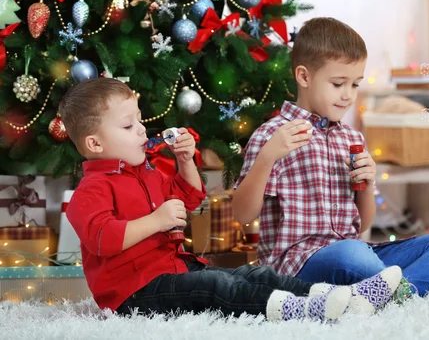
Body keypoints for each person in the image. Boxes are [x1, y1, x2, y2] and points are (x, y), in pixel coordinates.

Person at [59, 77, 403, 321]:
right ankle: (294, 309)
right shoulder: (91, 191)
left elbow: (191, 198)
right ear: (95, 144)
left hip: (174, 269)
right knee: (216, 286)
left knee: (253, 274)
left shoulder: (147, 172)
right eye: (127, 126)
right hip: (133, 293)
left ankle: (330, 297)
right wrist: (157, 221)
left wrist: (184, 162)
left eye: (139, 121)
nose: (141, 130)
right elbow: (102, 239)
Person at [233, 17, 429, 300]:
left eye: (355, 84)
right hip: (299, 265)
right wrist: (267, 158)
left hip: (358, 250)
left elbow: (361, 225)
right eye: (338, 84)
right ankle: (418, 284)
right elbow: (242, 215)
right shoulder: (272, 136)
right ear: (304, 76)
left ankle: (398, 292)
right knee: (353, 255)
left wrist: (367, 183)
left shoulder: (352, 138)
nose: (348, 96)